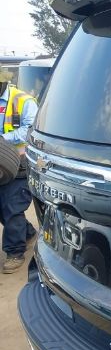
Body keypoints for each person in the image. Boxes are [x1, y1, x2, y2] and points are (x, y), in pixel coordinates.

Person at [0, 83, 38, 273]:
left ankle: (15, 252)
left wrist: (2, 137)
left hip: (19, 165)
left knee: (12, 208)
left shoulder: (23, 101)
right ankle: (28, 232)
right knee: (3, 208)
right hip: (1, 166)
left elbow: (31, 130)